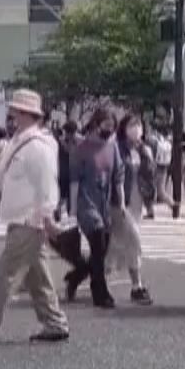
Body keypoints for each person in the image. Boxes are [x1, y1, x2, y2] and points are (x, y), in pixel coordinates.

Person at [0, 90, 69, 345]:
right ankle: (55, 322)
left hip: (30, 220)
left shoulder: (38, 146)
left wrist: (47, 216)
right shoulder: (18, 141)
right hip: (23, 219)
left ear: (26, 114)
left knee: (5, 273)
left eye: (15, 111)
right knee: (37, 277)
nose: (11, 115)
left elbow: (46, 186)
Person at [64, 107, 120, 308]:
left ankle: (76, 276)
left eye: (112, 126)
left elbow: (117, 177)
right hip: (85, 203)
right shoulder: (81, 149)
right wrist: (71, 209)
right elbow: (74, 181)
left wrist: (119, 203)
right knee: (98, 243)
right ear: (96, 124)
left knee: (101, 249)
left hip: (103, 204)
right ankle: (100, 292)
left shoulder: (112, 148)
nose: (109, 129)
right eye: (106, 124)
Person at [109, 113, 154, 304]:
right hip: (120, 202)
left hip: (138, 201)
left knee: (116, 246)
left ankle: (84, 274)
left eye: (138, 124)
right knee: (134, 240)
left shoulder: (144, 149)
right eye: (131, 124)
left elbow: (151, 177)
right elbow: (114, 175)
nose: (136, 128)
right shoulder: (117, 148)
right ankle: (137, 286)